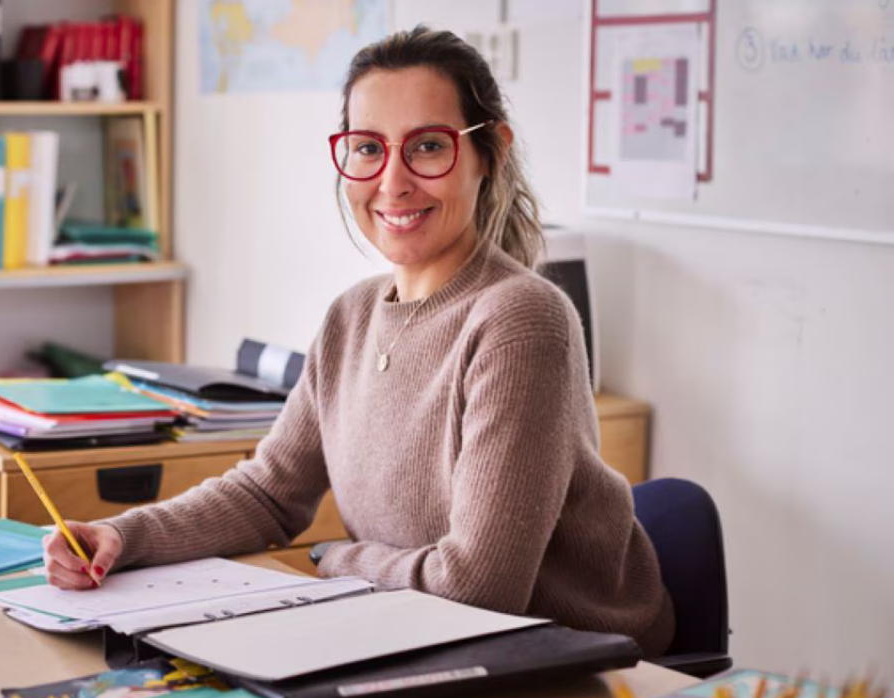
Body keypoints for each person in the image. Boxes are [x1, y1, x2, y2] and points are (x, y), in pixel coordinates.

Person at [44, 26, 675, 656]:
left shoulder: (521, 319)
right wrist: (122, 537)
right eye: (368, 148)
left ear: (491, 153)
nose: (393, 182)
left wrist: (340, 560)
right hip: (418, 639)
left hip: (570, 665)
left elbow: (480, 590)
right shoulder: (351, 316)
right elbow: (268, 493)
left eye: (429, 146)